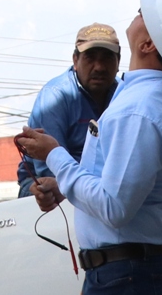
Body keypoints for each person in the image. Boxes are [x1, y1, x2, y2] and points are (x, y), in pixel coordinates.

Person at [16, 0, 162, 295]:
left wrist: (54, 155)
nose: (138, 14)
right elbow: (122, 187)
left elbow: (114, 206)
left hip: (127, 277)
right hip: (141, 272)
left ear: (147, 44)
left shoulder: (140, 109)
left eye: (144, 14)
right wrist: (66, 184)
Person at [17, 22, 122, 202]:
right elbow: (51, 169)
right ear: (75, 61)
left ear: (118, 62)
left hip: (101, 185)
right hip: (50, 181)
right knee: (49, 190)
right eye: (90, 57)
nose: (99, 67)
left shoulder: (125, 95)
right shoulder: (55, 97)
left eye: (107, 58)